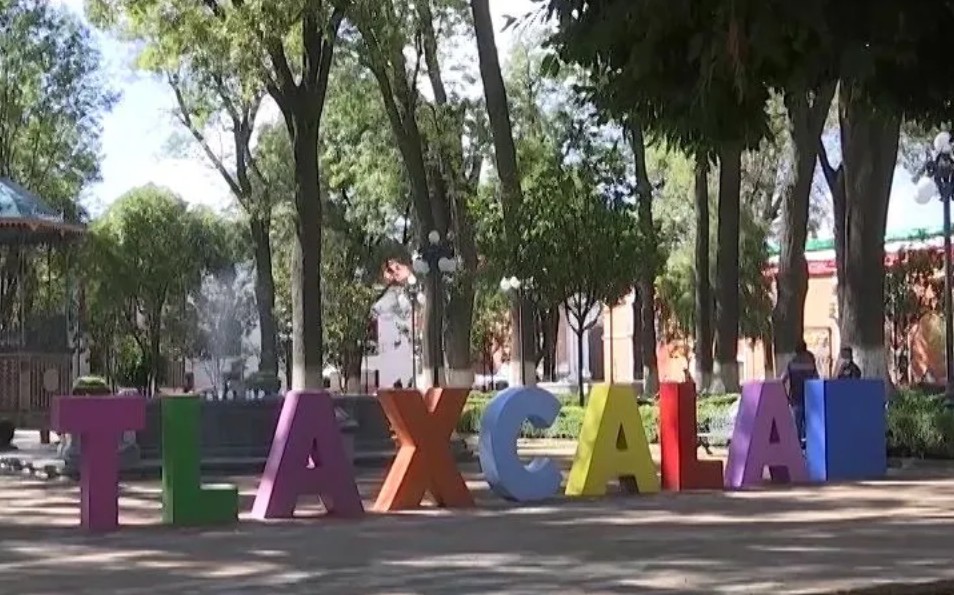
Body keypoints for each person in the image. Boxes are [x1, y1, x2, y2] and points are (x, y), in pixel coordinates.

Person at [781, 339, 819, 446]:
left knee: (797, 426)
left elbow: (782, 380)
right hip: (810, 399)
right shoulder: (810, 362)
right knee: (810, 426)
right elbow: (816, 378)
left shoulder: (792, 362)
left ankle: (797, 449)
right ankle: (811, 447)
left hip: (796, 398)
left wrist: (786, 396)